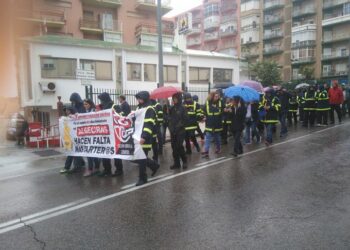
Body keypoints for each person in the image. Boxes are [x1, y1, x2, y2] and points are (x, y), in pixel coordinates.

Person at [134, 91, 160, 186]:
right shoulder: (139, 108)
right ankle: (154, 165)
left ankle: (143, 178)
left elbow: (148, 124)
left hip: (145, 137)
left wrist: (144, 137)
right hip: (137, 136)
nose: (138, 100)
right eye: (138, 98)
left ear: (144, 98)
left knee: (141, 158)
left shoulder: (150, 109)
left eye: (139, 98)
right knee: (139, 157)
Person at [97, 92, 123, 177]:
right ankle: (107, 170)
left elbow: (122, 117)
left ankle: (119, 170)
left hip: (114, 133)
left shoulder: (114, 106)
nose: (100, 101)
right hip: (105, 133)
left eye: (101, 99)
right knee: (105, 152)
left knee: (116, 153)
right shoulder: (102, 107)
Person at [168, 92, 188, 169]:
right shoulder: (172, 108)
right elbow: (169, 118)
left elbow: (185, 119)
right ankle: (176, 163)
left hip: (180, 131)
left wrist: (178, 126)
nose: (174, 100)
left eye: (175, 99)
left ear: (179, 99)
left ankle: (184, 161)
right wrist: (167, 113)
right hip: (173, 131)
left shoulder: (183, 108)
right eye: (173, 99)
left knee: (179, 146)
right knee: (173, 147)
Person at [202, 91, 223, 158]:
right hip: (209, 124)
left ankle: (219, 148)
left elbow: (223, 110)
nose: (217, 97)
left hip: (217, 124)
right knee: (208, 138)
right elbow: (203, 111)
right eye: (215, 96)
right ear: (212, 96)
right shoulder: (207, 103)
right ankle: (206, 152)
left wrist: (225, 111)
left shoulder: (221, 103)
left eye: (218, 96)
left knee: (217, 138)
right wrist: (203, 117)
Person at [82, 99, 100, 177]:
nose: (84, 106)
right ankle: (92, 168)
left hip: (94, 135)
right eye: (84, 104)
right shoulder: (85, 112)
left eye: (86, 104)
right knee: (89, 152)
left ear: (90, 104)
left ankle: (94, 168)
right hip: (88, 135)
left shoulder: (94, 111)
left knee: (93, 152)